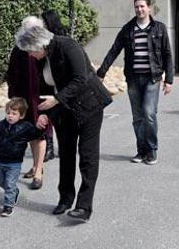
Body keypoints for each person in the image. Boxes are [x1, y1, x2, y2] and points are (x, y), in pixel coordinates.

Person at [15, 17, 112, 223]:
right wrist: (44, 113)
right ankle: (65, 199)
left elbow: (81, 78)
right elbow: (45, 87)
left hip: (89, 106)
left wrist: (57, 99)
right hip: (64, 110)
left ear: (39, 44)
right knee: (66, 155)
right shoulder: (41, 58)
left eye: (31, 51)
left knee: (87, 156)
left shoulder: (68, 46)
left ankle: (84, 206)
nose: (30, 56)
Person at [96, 0, 173, 165]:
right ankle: (141, 150)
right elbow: (114, 50)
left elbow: (167, 53)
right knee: (138, 117)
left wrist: (169, 80)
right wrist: (101, 72)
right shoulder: (128, 29)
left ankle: (152, 149)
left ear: (149, 8)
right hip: (133, 78)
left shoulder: (159, 28)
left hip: (152, 78)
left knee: (149, 113)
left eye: (142, 6)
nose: (139, 9)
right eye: (136, 7)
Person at [6, 12, 63, 190]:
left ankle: (39, 171)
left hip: (40, 96)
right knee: (30, 133)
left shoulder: (44, 47)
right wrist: (13, 96)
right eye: (26, 29)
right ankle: (35, 166)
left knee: (39, 133)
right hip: (23, 97)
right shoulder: (19, 48)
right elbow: (12, 73)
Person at [0, 98, 44, 217]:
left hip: (14, 164)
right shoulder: (0, 126)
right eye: (8, 113)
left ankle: (8, 206)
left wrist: (39, 127)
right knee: (2, 182)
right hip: (1, 161)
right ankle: (14, 192)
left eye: (14, 113)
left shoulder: (26, 127)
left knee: (10, 184)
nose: (10, 116)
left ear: (21, 116)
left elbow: (36, 135)